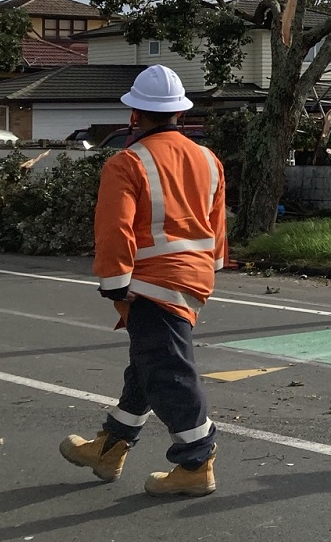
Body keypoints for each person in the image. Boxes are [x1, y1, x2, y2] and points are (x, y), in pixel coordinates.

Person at [60, 65, 226, 496]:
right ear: (179, 113)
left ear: (136, 113)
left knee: (167, 371)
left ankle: (195, 462)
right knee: (147, 367)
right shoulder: (209, 159)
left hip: (151, 282)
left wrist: (114, 280)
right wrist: (211, 266)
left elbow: (115, 228)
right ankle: (109, 448)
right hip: (194, 277)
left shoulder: (127, 162)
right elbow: (217, 226)